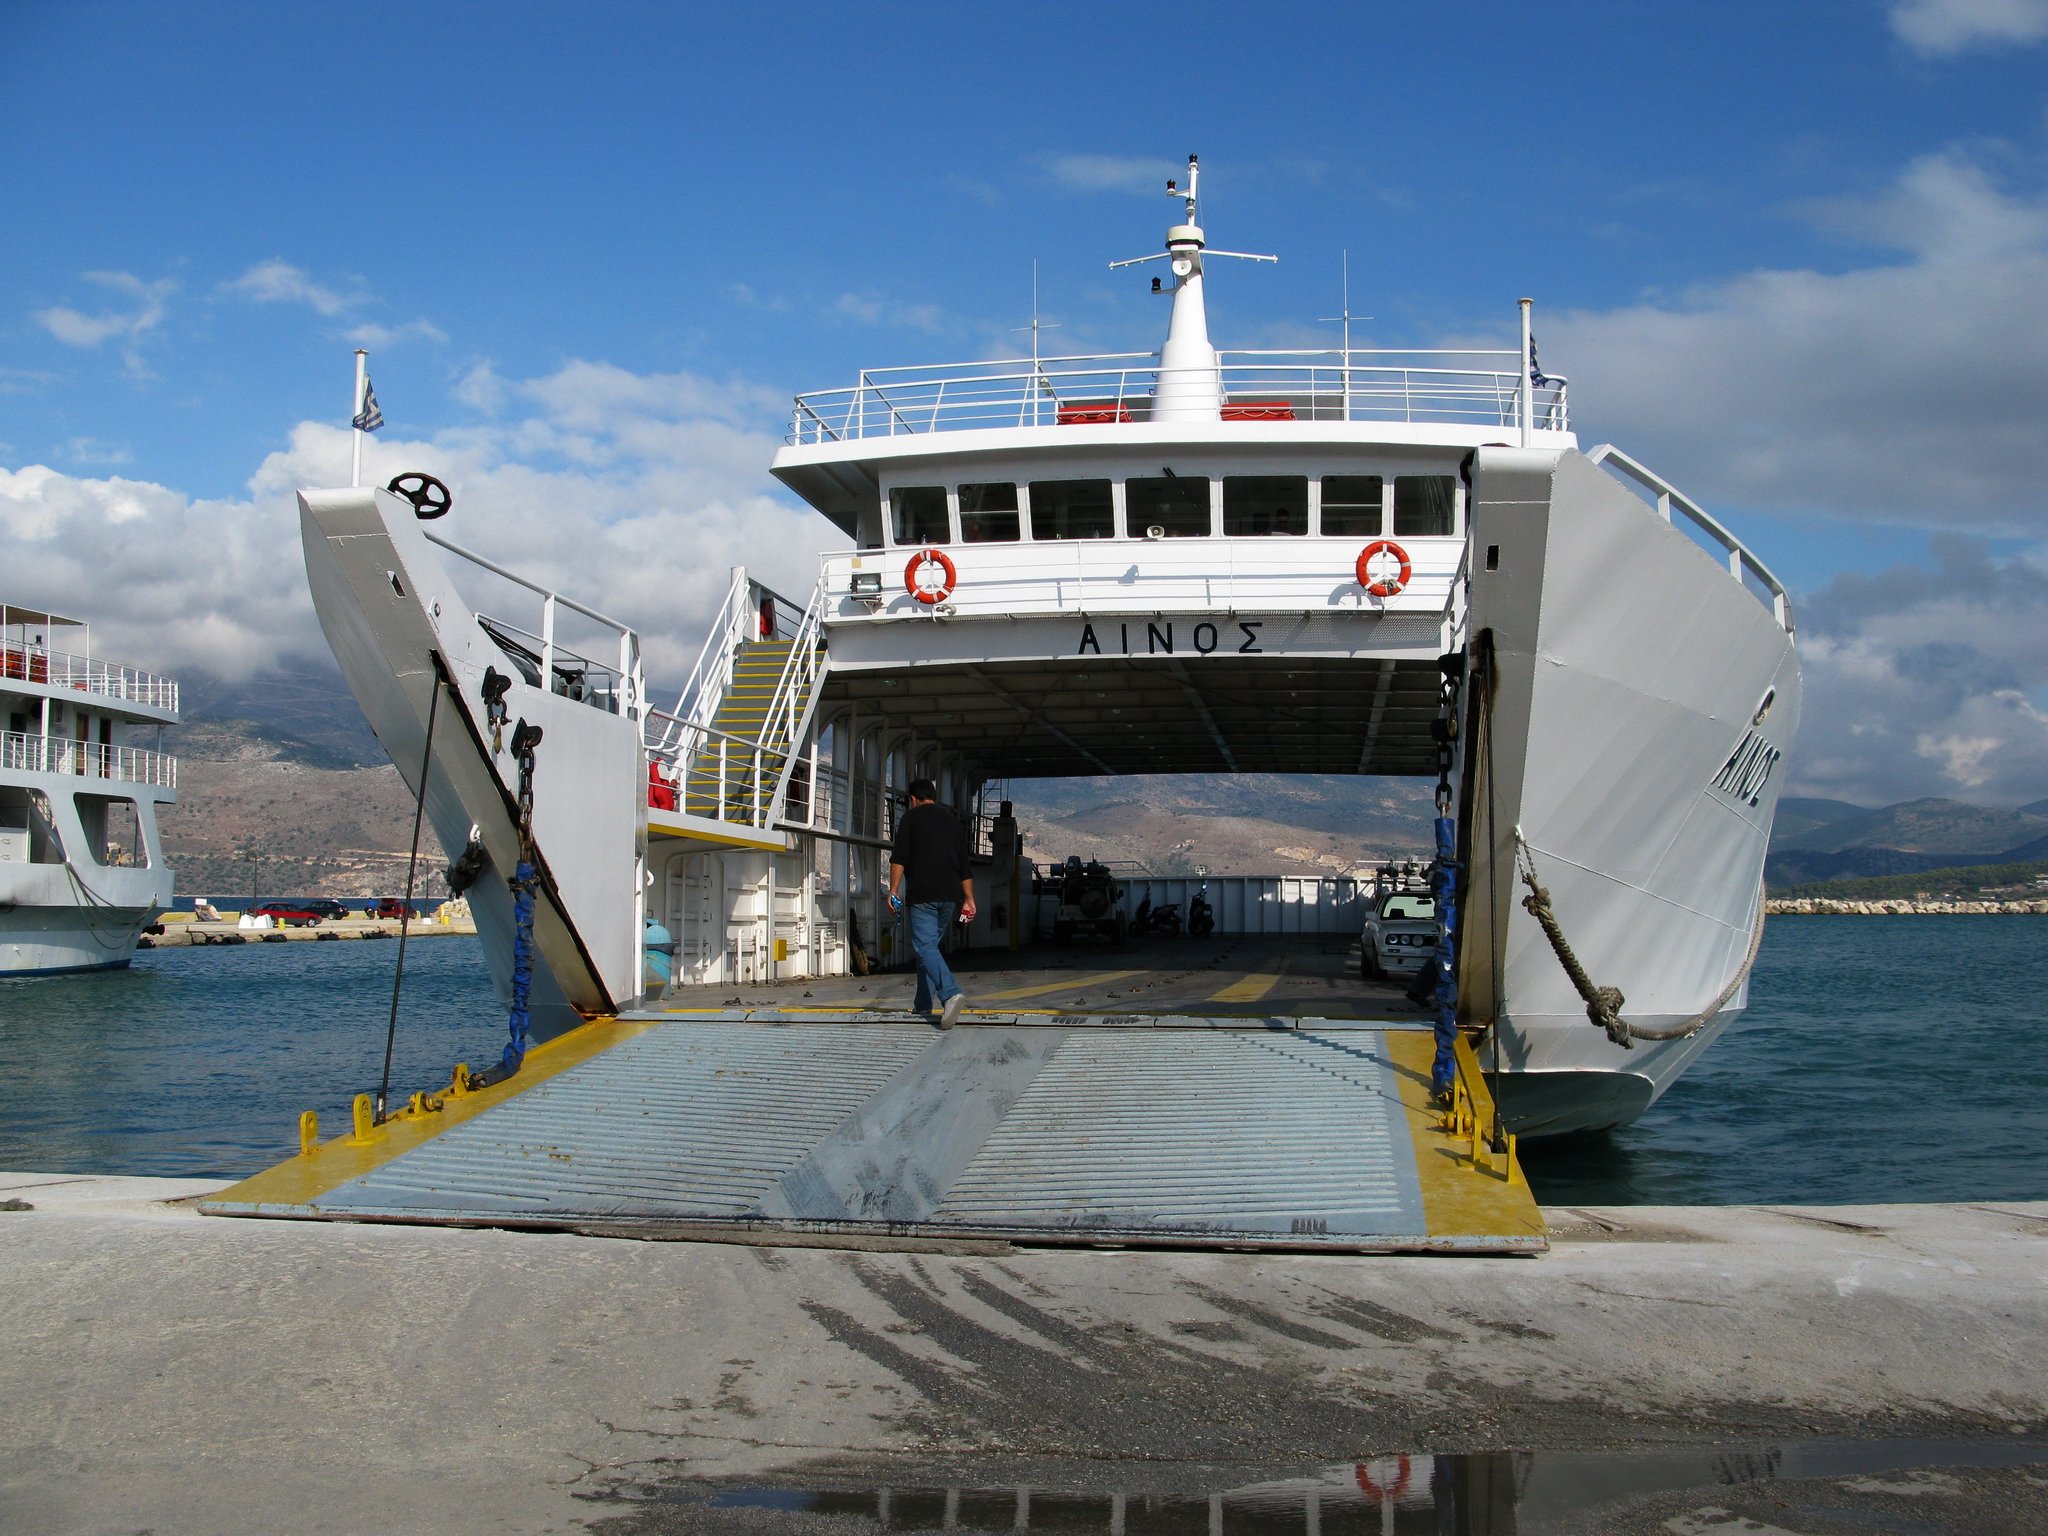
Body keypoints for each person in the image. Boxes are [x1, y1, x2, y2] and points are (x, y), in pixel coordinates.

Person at [887, 778, 976, 1028]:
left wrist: (893, 890)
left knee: (925, 947)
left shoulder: (910, 818)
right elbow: (964, 866)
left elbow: (899, 857)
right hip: (951, 896)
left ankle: (950, 993)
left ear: (912, 798)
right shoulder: (952, 821)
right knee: (929, 949)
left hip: (923, 895)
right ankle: (923, 1003)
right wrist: (969, 898)